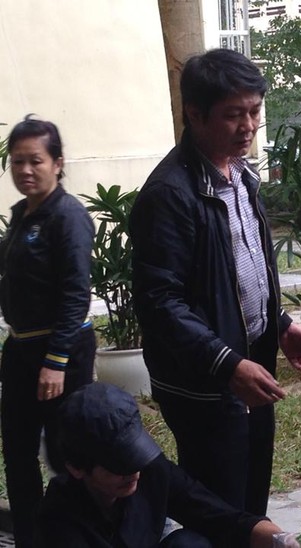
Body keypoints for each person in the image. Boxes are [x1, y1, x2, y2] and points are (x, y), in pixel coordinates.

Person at [129, 48, 301, 516]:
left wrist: (279, 324)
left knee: (252, 494)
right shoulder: (170, 195)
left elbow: (242, 273)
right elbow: (160, 303)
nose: (249, 126)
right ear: (195, 113)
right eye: (234, 115)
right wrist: (227, 364)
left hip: (250, 364)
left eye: (255, 112)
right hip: (205, 383)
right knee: (220, 507)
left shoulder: (241, 177)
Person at [35, 381, 296, 547]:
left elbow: (218, 516)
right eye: (119, 466)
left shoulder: (150, 470)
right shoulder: (58, 520)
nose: (133, 471)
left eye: (135, 457)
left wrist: (279, 539)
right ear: (76, 468)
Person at [0, 116, 96, 548]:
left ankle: (79, 537)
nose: (25, 170)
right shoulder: (22, 215)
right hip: (20, 350)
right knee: (17, 457)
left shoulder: (68, 217)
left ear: (58, 163)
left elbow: (76, 293)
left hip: (61, 354)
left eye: (35, 160)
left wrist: (56, 362)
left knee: (67, 457)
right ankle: (29, 540)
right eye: (17, 162)